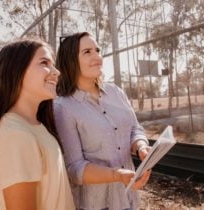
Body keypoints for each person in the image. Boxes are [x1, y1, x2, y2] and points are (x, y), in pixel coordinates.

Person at [54, 31, 151, 210]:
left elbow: (134, 128)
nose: (97, 57)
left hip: (128, 197)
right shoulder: (63, 108)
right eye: (87, 52)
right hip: (97, 205)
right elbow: (75, 169)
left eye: (97, 50)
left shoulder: (116, 92)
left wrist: (141, 147)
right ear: (70, 60)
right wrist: (117, 175)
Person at [0, 39, 75, 210]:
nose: (56, 72)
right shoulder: (14, 134)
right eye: (44, 62)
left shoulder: (36, 126)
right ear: (15, 71)